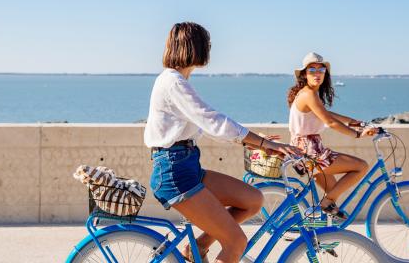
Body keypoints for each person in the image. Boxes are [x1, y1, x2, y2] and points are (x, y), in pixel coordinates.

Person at [144, 22, 301, 263]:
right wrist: (260, 143)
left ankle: (196, 247)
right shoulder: (173, 82)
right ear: (194, 47)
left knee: (252, 200)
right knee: (236, 241)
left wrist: (253, 141)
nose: (209, 48)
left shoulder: (178, 81)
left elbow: (207, 126)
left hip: (186, 165)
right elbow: (212, 120)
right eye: (207, 43)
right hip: (174, 172)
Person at [287, 52, 378, 219]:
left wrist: (357, 123)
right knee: (361, 166)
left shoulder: (307, 94)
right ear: (304, 74)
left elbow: (329, 114)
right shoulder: (309, 94)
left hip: (304, 150)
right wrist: (357, 134)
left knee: (333, 190)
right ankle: (326, 203)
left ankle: (324, 237)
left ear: (325, 74)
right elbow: (330, 122)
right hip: (311, 153)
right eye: (311, 69)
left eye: (320, 69)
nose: (317, 73)